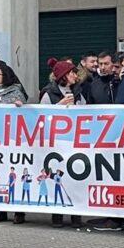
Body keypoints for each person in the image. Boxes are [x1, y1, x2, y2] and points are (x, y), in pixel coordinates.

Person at [40, 58, 84, 228]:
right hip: (56, 143)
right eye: (72, 72)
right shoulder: (48, 94)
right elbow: (42, 116)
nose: (75, 75)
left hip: (74, 142)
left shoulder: (78, 92)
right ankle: (57, 214)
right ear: (64, 75)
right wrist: (59, 106)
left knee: (75, 177)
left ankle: (76, 214)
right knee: (56, 177)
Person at [0, 64, 27, 224]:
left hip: (13, 141)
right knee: (0, 175)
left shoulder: (16, 92)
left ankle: (19, 212)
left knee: (14, 176)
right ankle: (0, 211)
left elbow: (24, 108)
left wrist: (19, 106)